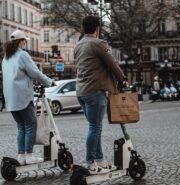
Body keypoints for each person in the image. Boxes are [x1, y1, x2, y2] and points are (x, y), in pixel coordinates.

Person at [74, 15, 127, 174]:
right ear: (97, 28)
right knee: (95, 127)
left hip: (81, 92)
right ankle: (90, 161)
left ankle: (99, 159)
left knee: (95, 127)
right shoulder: (98, 43)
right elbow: (112, 64)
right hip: (95, 91)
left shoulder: (78, 45)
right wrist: (122, 79)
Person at [2, 30, 54, 165]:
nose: (25, 43)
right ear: (21, 41)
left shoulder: (6, 57)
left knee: (21, 126)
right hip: (22, 96)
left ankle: (21, 156)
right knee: (31, 124)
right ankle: (29, 155)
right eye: (24, 41)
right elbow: (34, 73)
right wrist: (49, 82)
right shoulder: (22, 55)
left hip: (10, 98)